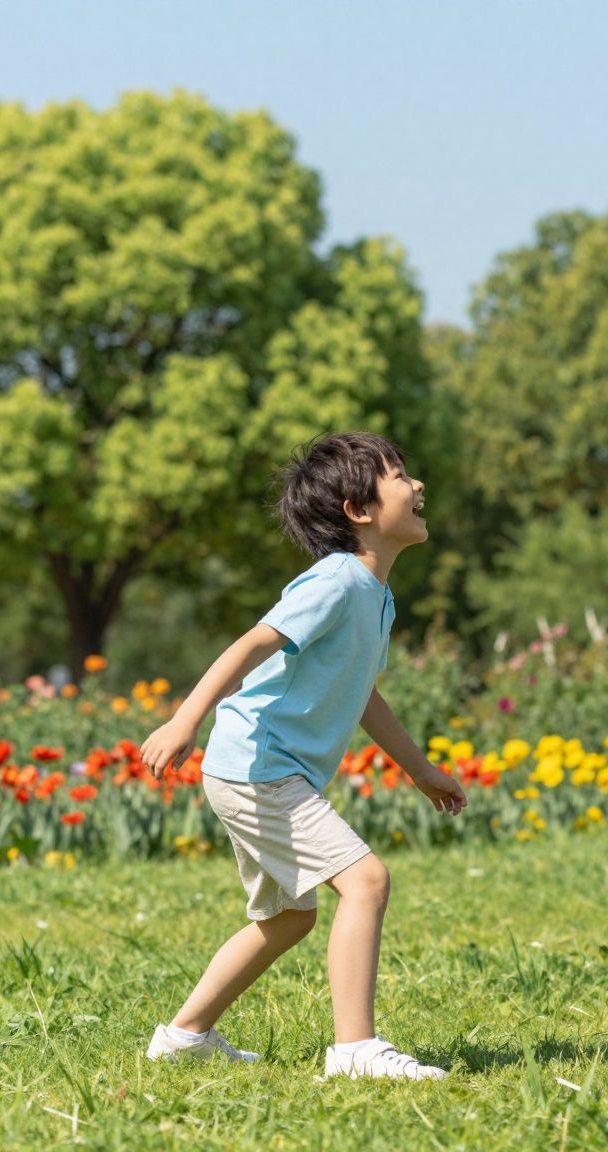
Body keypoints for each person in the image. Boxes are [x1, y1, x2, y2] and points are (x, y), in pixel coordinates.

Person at [140, 432, 466, 1080]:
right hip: (259, 764)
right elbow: (250, 645)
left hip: (254, 767)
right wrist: (184, 719)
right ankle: (354, 1050)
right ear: (358, 510)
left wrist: (422, 771)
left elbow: (362, 694)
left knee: (289, 917)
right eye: (399, 474)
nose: (417, 484)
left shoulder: (376, 597)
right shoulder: (339, 579)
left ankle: (184, 1035)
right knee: (366, 882)